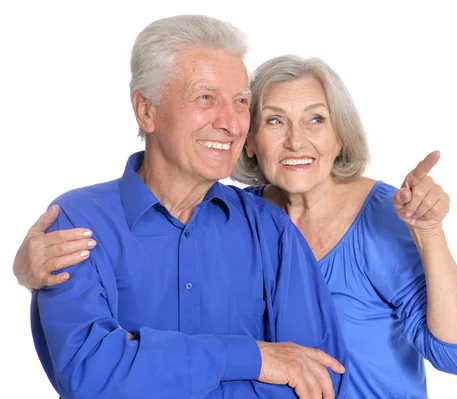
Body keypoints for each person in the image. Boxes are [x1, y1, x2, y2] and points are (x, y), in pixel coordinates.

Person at [14, 54, 457, 397]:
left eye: (316, 120)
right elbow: (101, 370)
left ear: (340, 135)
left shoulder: (384, 213)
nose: (296, 140)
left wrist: (429, 234)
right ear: (249, 141)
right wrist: (23, 269)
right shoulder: (238, 219)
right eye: (275, 121)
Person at [18, 15, 350, 399]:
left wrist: (140, 358)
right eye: (206, 98)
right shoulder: (77, 221)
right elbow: (93, 374)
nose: (230, 123)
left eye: (241, 101)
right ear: (146, 111)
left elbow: (321, 378)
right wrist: (253, 356)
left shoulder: (269, 229)